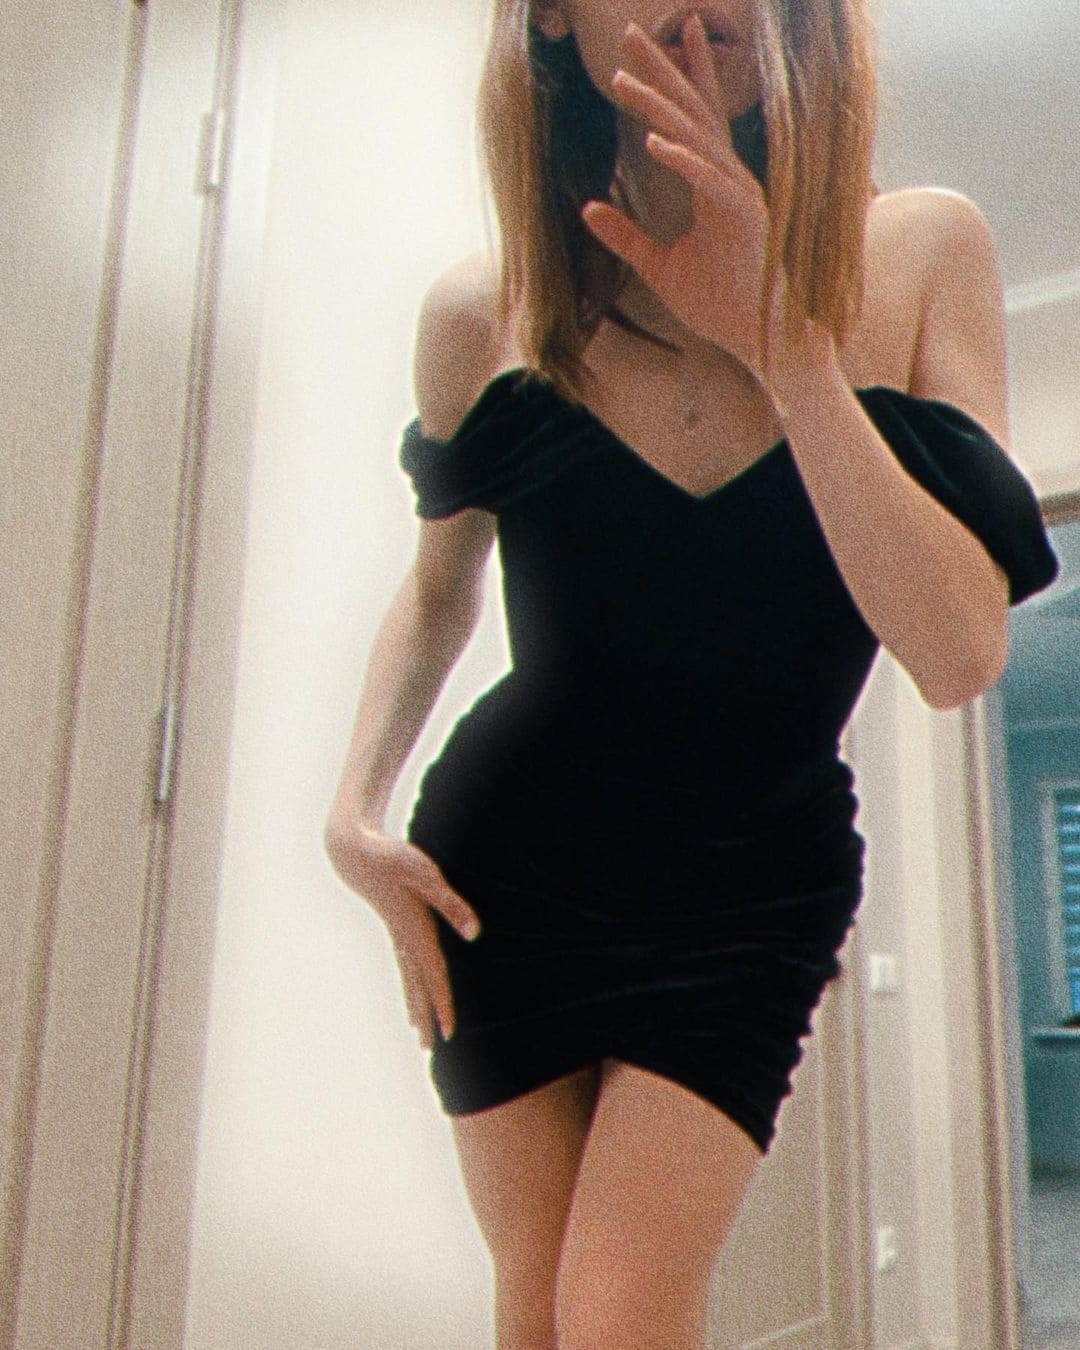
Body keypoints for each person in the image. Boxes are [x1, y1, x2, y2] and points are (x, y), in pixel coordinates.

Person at [324, 1, 1059, 1346]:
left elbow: (959, 654)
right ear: (555, 19)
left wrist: (789, 351)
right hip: (507, 864)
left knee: (618, 1312)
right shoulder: (484, 312)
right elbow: (437, 592)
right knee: (536, 1309)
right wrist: (352, 815)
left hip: (749, 875)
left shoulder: (919, 251)